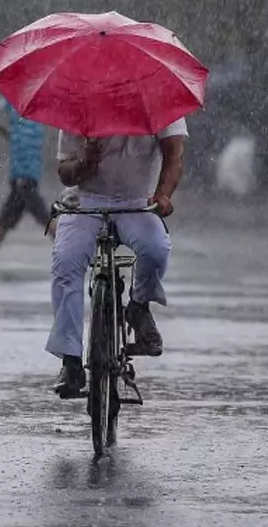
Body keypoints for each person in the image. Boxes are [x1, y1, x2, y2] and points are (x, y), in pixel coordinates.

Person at [47, 119, 188, 397]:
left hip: (137, 202)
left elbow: (174, 154)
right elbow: (65, 172)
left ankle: (139, 305)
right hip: (86, 201)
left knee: (156, 250)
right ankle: (70, 360)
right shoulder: (80, 105)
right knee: (65, 262)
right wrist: (83, 163)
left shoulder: (156, 102)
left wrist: (163, 194)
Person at [0, 92, 54, 270]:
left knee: (43, 217)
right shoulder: (33, 120)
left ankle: (70, 250)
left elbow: (4, 105)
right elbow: (15, 138)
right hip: (25, 176)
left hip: (24, 177)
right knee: (6, 218)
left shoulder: (19, 109)